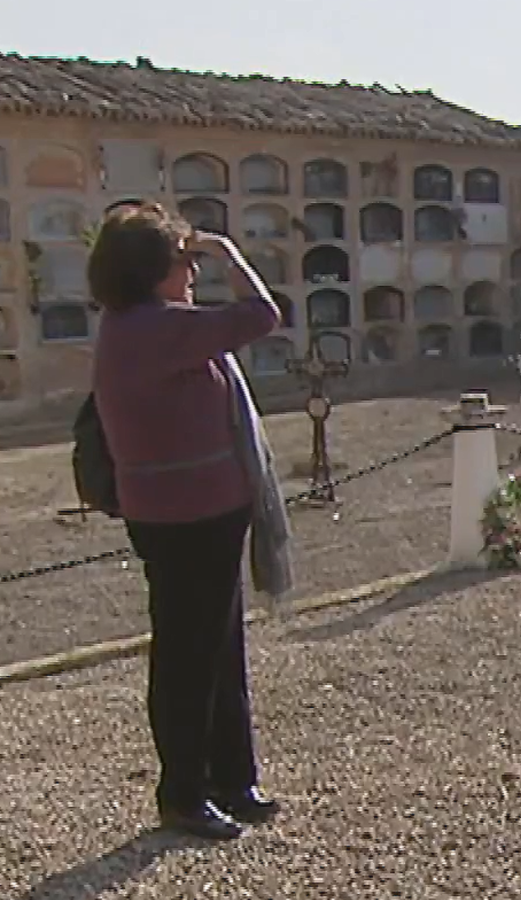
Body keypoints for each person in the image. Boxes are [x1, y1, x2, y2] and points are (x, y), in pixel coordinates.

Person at [89, 203, 287, 840]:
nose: (193, 269)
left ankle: (232, 777)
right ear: (151, 270)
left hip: (200, 507)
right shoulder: (156, 328)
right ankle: (183, 793)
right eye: (184, 259)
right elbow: (263, 315)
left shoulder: (142, 325)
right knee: (188, 658)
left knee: (218, 646)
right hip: (185, 514)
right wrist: (231, 254)